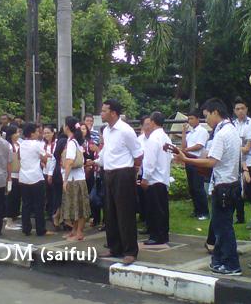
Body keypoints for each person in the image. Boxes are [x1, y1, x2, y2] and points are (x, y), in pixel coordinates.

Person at [175, 98, 242, 276]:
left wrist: (186, 159)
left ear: (214, 112)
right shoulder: (231, 130)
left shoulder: (222, 134)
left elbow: (212, 161)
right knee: (221, 225)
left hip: (224, 185)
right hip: (231, 183)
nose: (206, 121)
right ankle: (220, 260)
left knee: (223, 227)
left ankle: (231, 264)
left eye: (206, 117)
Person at [93, 99, 143, 265]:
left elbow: (138, 154)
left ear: (113, 113)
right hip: (109, 172)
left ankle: (130, 251)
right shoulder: (107, 131)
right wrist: (97, 162)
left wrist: (133, 171)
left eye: (104, 110)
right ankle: (115, 247)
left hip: (123, 173)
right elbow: (108, 151)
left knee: (125, 213)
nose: (101, 113)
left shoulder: (125, 130)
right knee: (110, 212)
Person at [140, 111, 173, 245]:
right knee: (162, 208)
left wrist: (145, 177)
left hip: (154, 178)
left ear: (153, 122)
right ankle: (163, 234)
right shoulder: (166, 137)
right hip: (163, 176)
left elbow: (150, 161)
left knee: (155, 209)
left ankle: (156, 236)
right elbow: (171, 156)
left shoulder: (153, 138)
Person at [18, 122, 54, 237]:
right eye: (37, 131)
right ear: (32, 133)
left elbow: (19, 157)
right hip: (36, 177)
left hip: (23, 177)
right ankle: (40, 229)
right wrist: (44, 157)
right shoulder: (37, 144)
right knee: (39, 205)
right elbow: (44, 157)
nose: (39, 134)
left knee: (26, 204)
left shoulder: (22, 144)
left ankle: (26, 228)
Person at [61, 117, 91, 241]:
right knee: (75, 206)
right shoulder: (75, 141)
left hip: (75, 179)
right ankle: (74, 230)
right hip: (79, 178)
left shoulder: (72, 142)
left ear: (67, 127)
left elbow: (69, 162)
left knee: (78, 206)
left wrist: (65, 179)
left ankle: (79, 233)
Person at [232, 97, 251, 228]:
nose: (240, 111)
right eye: (237, 109)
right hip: (236, 162)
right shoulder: (232, 124)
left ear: (246, 109)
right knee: (237, 191)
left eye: (242, 108)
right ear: (234, 111)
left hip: (249, 162)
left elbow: (248, 148)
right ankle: (240, 217)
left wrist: (233, 147)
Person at [181, 109, 210, 220]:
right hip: (189, 159)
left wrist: (187, 149)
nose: (190, 121)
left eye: (192, 118)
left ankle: (204, 212)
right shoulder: (191, 132)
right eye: (188, 119)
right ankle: (196, 209)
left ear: (198, 119)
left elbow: (199, 145)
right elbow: (183, 146)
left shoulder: (202, 131)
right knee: (192, 187)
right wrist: (183, 133)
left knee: (198, 187)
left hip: (197, 160)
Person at [5, 125, 21, 229]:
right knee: (11, 197)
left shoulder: (18, 144)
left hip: (19, 174)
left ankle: (13, 218)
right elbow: (8, 162)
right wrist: (9, 176)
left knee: (16, 198)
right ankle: (9, 222)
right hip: (11, 175)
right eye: (16, 132)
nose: (18, 134)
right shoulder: (8, 146)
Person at [42, 127, 56, 219]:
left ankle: (54, 212)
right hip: (45, 171)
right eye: (45, 133)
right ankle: (49, 211)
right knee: (48, 193)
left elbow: (55, 157)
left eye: (48, 132)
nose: (46, 135)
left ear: (53, 133)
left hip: (54, 171)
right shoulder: (43, 145)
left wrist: (50, 155)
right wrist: (42, 161)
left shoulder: (56, 143)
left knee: (54, 192)